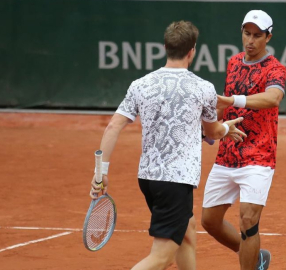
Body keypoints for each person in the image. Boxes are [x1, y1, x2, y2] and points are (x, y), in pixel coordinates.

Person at [89, 21, 246, 270]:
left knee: (187, 229)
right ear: (192, 51)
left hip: (149, 180)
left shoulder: (140, 85)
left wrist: (101, 172)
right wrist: (228, 128)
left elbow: (112, 127)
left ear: (165, 47)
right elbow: (213, 131)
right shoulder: (203, 88)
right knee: (161, 257)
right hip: (175, 182)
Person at [201, 10, 286, 270]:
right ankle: (253, 255)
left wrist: (232, 100)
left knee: (248, 221)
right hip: (228, 154)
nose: (250, 40)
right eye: (247, 34)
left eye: (257, 35)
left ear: (268, 37)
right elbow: (225, 103)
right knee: (209, 221)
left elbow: (272, 98)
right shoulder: (234, 62)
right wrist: (209, 128)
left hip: (259, 157)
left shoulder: (276, 68)